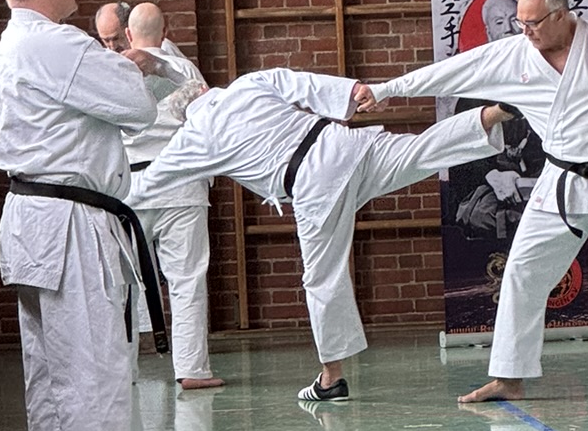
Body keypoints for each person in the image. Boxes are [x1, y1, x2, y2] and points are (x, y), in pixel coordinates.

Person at [371, 0, 588, 403]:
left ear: (561, 15)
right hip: (559, 183)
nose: (524, 31)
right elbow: (452, 72)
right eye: (520, 23)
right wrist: (387, 90)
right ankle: (509, 377)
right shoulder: (514, 54)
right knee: (522, 272)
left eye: (533, 23)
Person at [132, 64, 515, 401]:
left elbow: (149, 184)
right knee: (420, 150)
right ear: (203, 89)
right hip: (343, 143)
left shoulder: (192, 138)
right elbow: (303, 83)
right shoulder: (247, 84)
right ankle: (495, 113)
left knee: (322, 276)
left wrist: (104, 198)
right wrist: (353, 91)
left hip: (313, 184)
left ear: (181, 116)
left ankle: (332, 378)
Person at [0, 0, 166, 431]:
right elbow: (136, 108)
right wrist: (131, 68)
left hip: (31, 220)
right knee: (93, 369)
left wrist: (118, 70)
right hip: (68, 225)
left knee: (49, 374)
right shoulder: (55, 42)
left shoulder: (15, 42)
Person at [121, 0, 222, 392]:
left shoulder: (115, 71)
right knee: (187, 279)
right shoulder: (186, 71)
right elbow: (208, 124)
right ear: (165, 33)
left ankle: (121, 371)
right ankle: (193, 368)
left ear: (128, 35)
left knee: (123, 283)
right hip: (182, 185)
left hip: (130, 189)